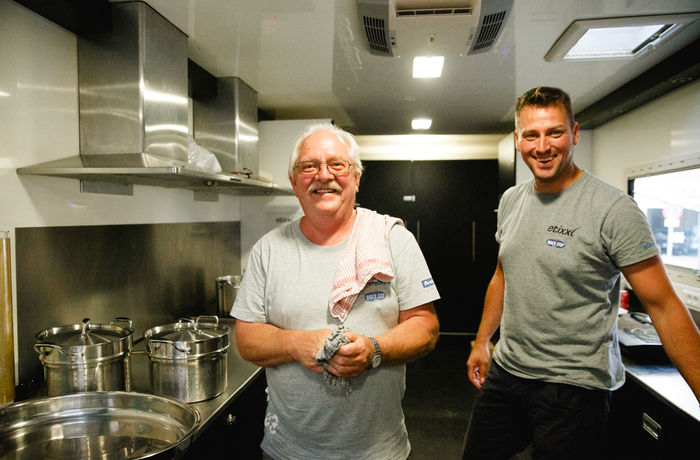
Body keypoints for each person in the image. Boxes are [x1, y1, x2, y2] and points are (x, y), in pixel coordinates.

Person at [462, 86, 700, 459]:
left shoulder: (614, 210)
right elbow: (503, 274)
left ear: (574, 133)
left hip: (574, 386)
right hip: (509, 372)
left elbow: (664, 305)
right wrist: (481, 341)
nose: (542, 146)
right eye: (531, 135)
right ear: (517, 141)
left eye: (554, 132)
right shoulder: (512, 200)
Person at [232, 122, 440, 460]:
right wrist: (295, 343)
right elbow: (246, 339)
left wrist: (374, 349)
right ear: (294, 182)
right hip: (287, 450)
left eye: (337, 164)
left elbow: (426, 327)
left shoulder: (393, 240)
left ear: (356, 178)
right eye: (309, 166)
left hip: (378, 450)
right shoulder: (267, 250)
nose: (323, 175)